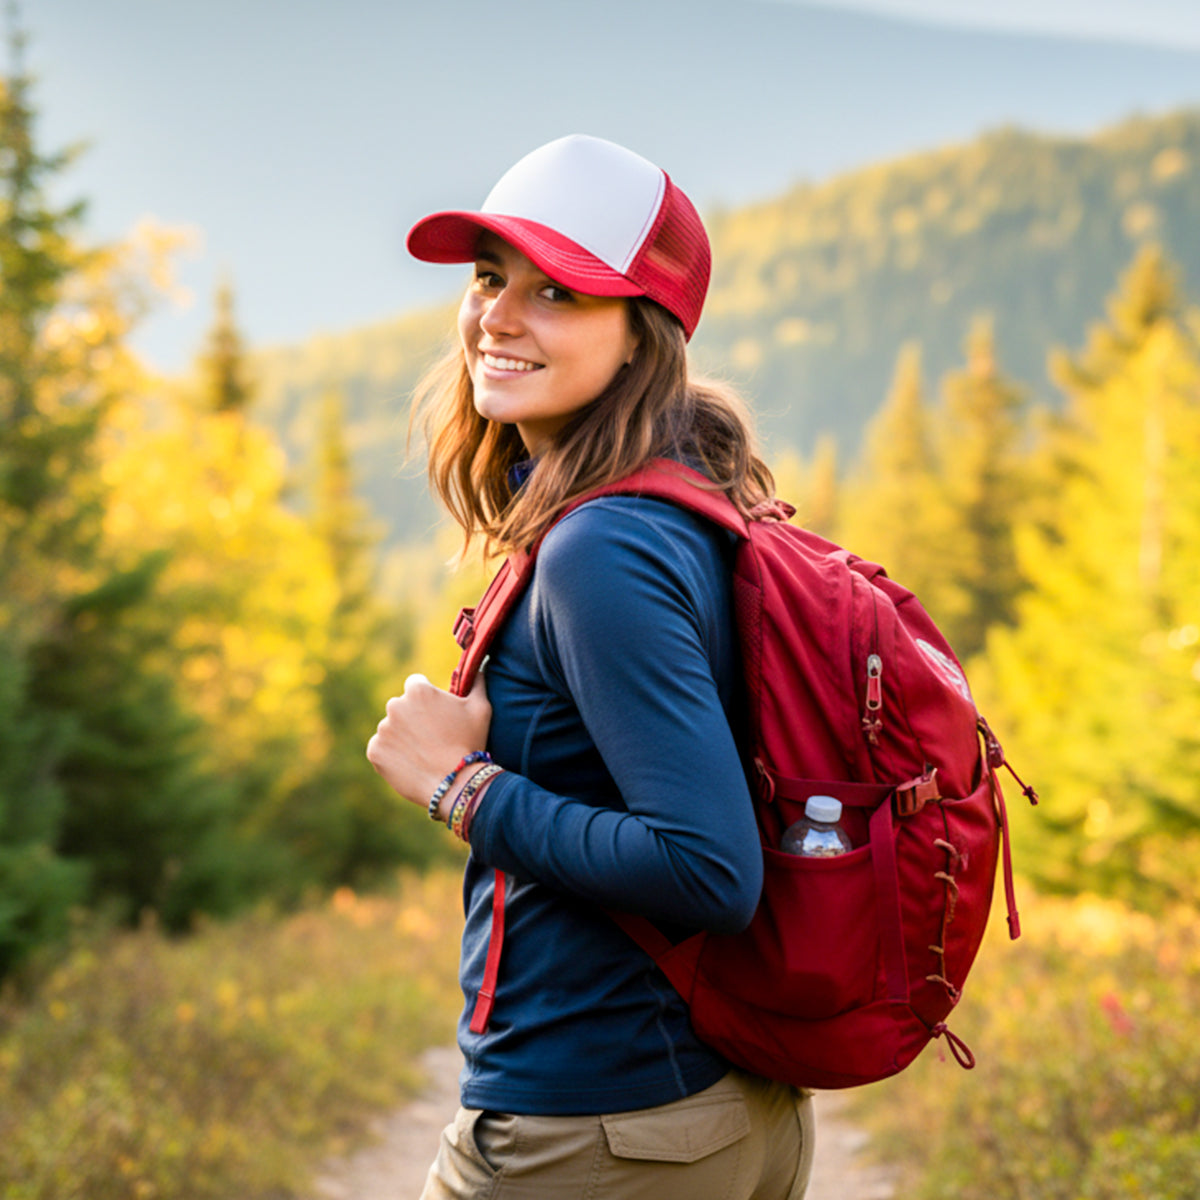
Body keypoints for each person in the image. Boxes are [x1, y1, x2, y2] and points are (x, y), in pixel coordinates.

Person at [366, 134, 815, 1200]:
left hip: (600, 1134)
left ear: (639, 337)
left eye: (558, 292)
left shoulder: (602, 549)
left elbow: (708, 867)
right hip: (703, 1111)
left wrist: (459, 786)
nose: (499, 317)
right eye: (490, 278)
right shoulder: (680, 504)